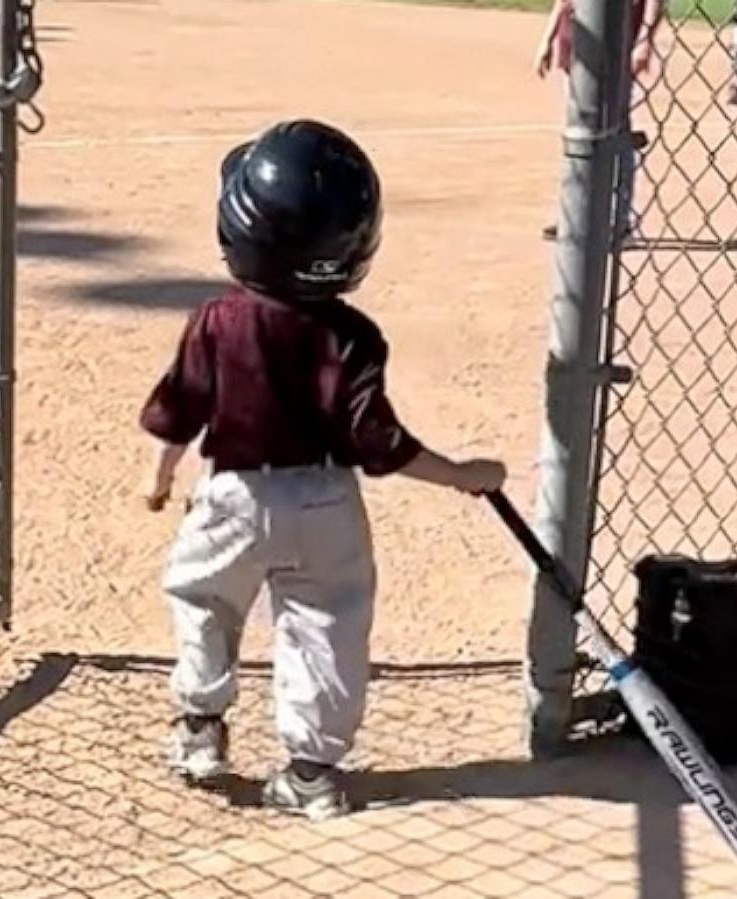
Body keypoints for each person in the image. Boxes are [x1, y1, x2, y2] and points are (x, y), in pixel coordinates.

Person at [138, 120, 508, 820]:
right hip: (326, 503)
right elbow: (378, 443)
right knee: (327, 622)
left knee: (203, 598)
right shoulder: (356, 336)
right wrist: (461, 472)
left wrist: (160, 481)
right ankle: (311, 771)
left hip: (234, 495)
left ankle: (199, 727)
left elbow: (179, 412)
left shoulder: (217, 321)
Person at [535, 0, 668, 243]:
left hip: (615, 47)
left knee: (616, 129)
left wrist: (645, 39)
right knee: (578, 131)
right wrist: (549, 36)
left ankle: (620, 221)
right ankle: (576, 215)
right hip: (576, 42)